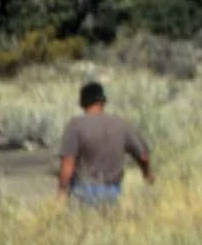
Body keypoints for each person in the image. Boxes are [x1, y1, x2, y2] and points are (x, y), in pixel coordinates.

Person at [57, 78, 153, 209]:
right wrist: (147, 174)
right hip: (113, 192)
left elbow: (68, 163)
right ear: (103, 102)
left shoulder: (75, 125)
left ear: (82, 103)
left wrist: (62, 192)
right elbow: (143, 155)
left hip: (83, 192)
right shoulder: (120, 124)